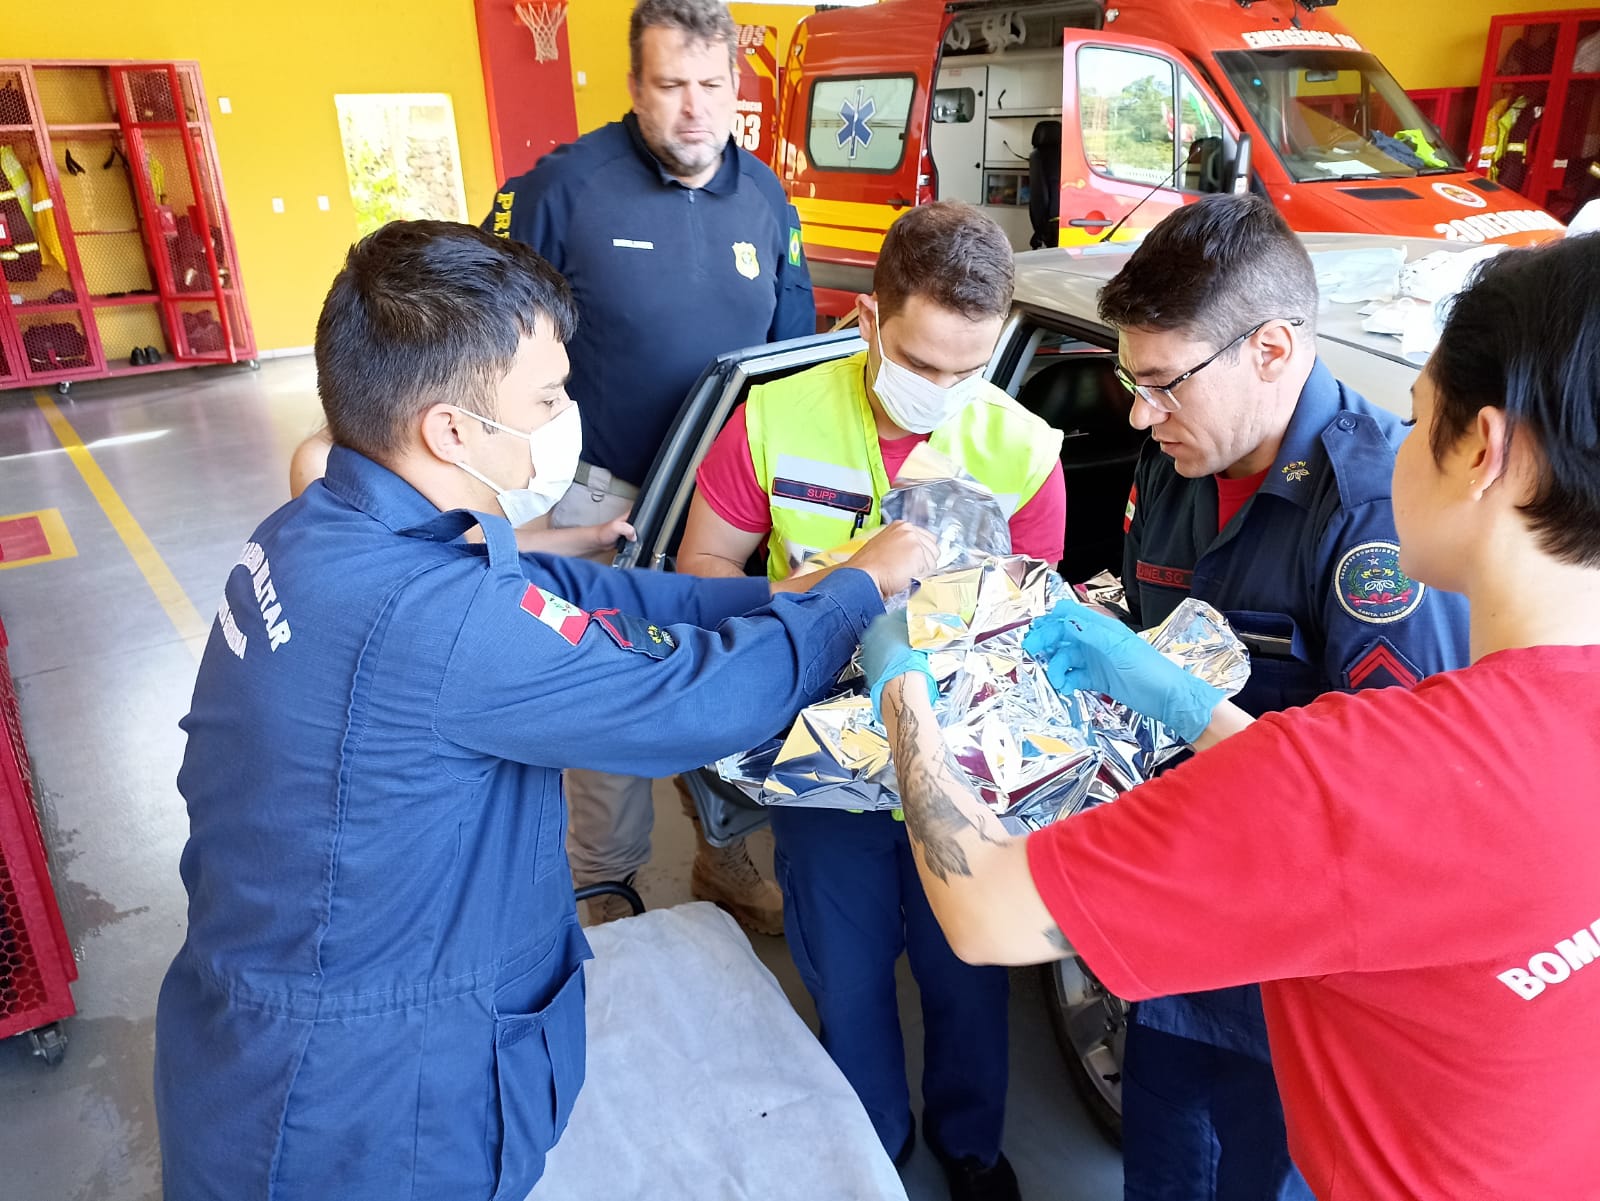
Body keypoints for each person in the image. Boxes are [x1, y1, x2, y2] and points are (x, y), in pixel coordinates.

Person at [152, 220, 935, 1201]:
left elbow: (576, 600)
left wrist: (778, 598)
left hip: (291, 1034)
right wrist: (856, 595)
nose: (568, 414)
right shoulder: (423, 619)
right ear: (450, 428)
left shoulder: (338, 529)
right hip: (369, 1107)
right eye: (548, 397)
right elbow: (694, 704)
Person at [864, 232, 1600, 1200]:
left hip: (1280, 1000)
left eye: (1417, 418)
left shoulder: (1362, 742)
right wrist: (1159, 684)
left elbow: (984, 910)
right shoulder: (1177, 468)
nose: (1142, 409)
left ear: (1482, 449)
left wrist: (902, 690)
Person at [677, 201, 1065, 1201]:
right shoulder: (773, 416)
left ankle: (970, 1145)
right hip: (816, 758)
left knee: (967, 972)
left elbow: (1033, 629)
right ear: (863, 323)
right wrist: (837, 581)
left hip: (960, 766)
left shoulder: (1023, 450)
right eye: (922, 362)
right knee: (845, 976)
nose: (943, 392)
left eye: (968, 368)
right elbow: (704, 568)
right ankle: (873, 1146)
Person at [1100, 194, 1466, 1201]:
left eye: (1163, 383)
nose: (1140, 412)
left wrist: (1179, 708)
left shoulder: (1373, 517)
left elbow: (1394, 800)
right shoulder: (1173, 459)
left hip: (1291, 972)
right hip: (1172, 910)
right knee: (1163, 1165)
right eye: (1129, 381)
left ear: (1269, 348)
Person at [483, 0, 815, 931]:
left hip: (727, 507)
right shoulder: (563, 192)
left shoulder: (766, 199)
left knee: (721, 678)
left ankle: (724, 856)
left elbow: (792, 356)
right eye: (671, 86)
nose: (694, 109)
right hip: (600, 498)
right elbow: (485, 343)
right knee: (608, 699)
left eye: (712, 85)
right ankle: (605, 890)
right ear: (634, 87)